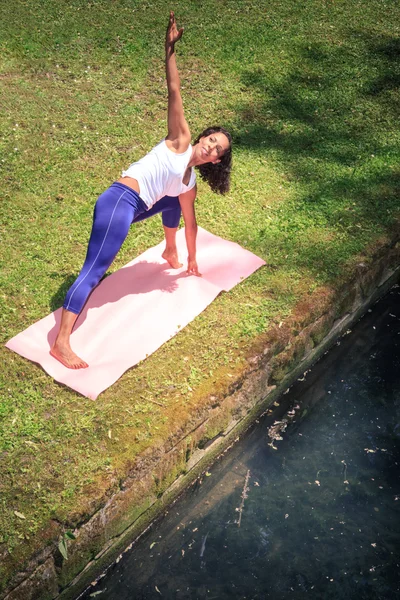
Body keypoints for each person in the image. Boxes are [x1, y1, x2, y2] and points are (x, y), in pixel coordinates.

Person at [50, 12, 232, 370]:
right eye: (211, 140)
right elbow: (174, 89)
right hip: (119, 200)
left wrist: (190, 257)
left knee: (175, 204)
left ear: (216, 161)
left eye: (218, 150)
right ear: (200, 138)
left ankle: (168, 251)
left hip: (138, 206)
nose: (212, 147)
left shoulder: (190, 183)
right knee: (94, 269)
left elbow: (190, 223)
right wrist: (169, 47)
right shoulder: (180, 139)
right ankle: (61, 342)